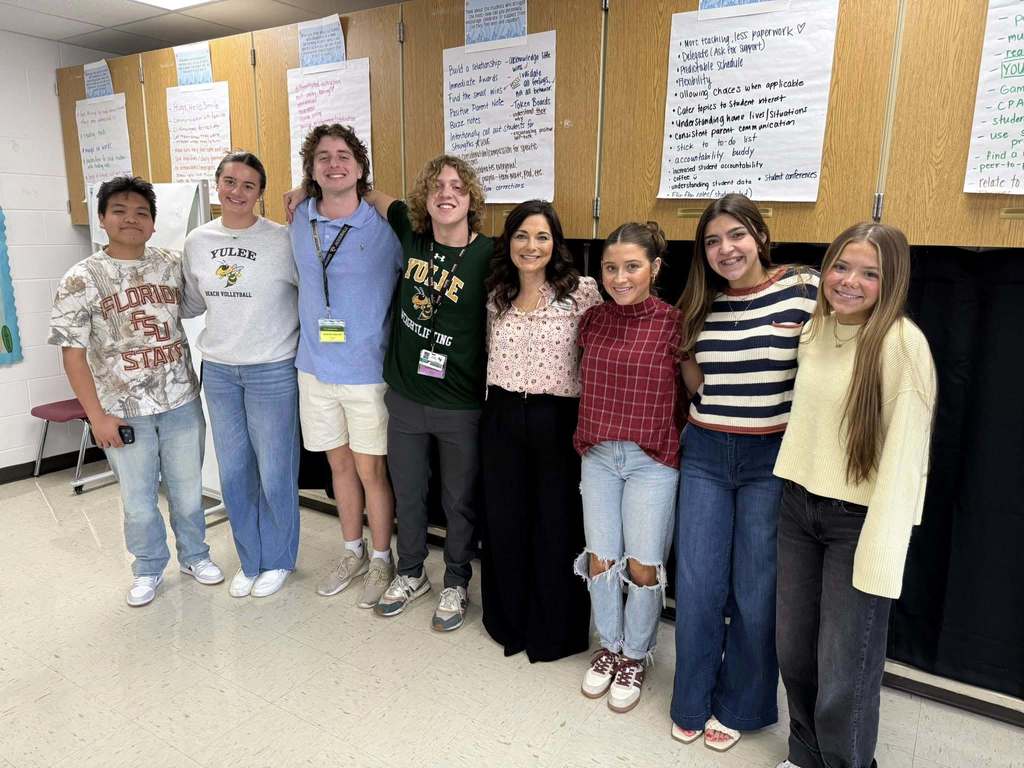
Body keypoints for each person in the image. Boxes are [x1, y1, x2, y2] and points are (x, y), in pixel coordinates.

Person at [773, 223, 936, 768]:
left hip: (857, 523)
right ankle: (806, 753)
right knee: (794, 651)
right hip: (798, 507)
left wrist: (883, 556)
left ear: (892, 282)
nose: (849, 281)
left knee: (845, 668)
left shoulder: (903, 346)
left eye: (870, 273)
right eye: (841, 267)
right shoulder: (816, 329)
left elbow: (906, 463)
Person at [670, 193, 819, 751]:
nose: (724, 249)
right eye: (712, 241)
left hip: (770, 460)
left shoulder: (803, 288)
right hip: (706, 454)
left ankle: (741, 704)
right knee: (700, 585)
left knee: (756, 592)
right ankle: (691, 699)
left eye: (735, 235)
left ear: (759, 235)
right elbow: (694, 382)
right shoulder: (700, 303)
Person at [48, 176, 223, 607]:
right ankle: (147, 568)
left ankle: (195, 556)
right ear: (103, 219)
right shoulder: (81, 279)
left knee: (186, 491)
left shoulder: (169, 263)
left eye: (141, 213)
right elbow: (72, 356)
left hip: (181, 400)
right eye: (120, 211)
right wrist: (97, 416)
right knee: (139, 500)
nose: (131, 220)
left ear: (152, 222)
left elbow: (199, 301)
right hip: (123, 412)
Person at [360, 155, 492, 632]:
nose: (446, 193)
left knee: (458, 500)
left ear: (471, 198)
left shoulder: (490, 255)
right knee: (409, 493)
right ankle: (411, 572)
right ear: (425, 198)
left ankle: (456, 580)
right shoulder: (411, 235)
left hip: (461, 404)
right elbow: (372, 193)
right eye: (437, 185)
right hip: (407, 398)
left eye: (457, 186)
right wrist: (300, 189)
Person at [479, 199, 602, 661]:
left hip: (558, 419)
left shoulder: (582, 291)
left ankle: (555, 629)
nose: (532, 246)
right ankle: (508, 620)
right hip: (503, 417)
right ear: (509, 241)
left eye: (542, 236)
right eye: (522, 236)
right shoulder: (497, 295)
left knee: (557, 525)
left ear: (556, 243)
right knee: (506, 522)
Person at [290, 125, 402, 609]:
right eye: (322, 157)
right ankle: (351, 551)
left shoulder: (385, 227)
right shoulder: (297, 218)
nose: (334, 164)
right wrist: (299, 192)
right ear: (311, 169)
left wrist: (375, 195)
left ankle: (382, 557)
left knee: (370, 469)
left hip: (366, 371)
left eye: (343, 156)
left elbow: (404, 213)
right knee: (337, 467)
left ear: (359, 166)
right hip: (314, 368)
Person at [573, 222, 683, 713]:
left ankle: (635, 655)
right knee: (600, 556)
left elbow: (691, 390)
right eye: (611, 267)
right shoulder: (592, 320)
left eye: (632, 267)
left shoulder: (673, 323)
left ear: (655, 269)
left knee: (641, 564)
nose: (620, 277)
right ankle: (609, 646)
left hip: (651, 460)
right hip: (598, 455)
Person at [181, 151, 300, 599]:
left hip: (272, 368)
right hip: (220, 372)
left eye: (248, 185)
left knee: (274, 470)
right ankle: (249, 559)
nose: (237, 192)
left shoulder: (283, 240)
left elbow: (310, 296)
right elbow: (192, 302)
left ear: (260, 194)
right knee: (233, 472)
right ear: (217, 185)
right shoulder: (197, 241)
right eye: (229, 182)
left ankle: (279, 558)